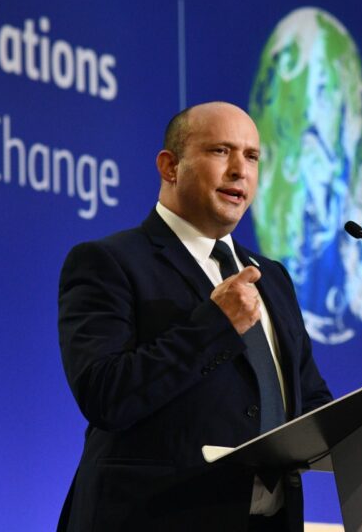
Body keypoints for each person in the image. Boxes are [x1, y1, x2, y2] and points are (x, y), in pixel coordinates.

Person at [57, 102, 333, 531]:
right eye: (222, 151)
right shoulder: (108, 263)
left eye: (252, 156)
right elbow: (104, 394)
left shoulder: (272, 278)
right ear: (170, 167)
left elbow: (310, 400)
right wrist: (216, 324)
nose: (240, 170)